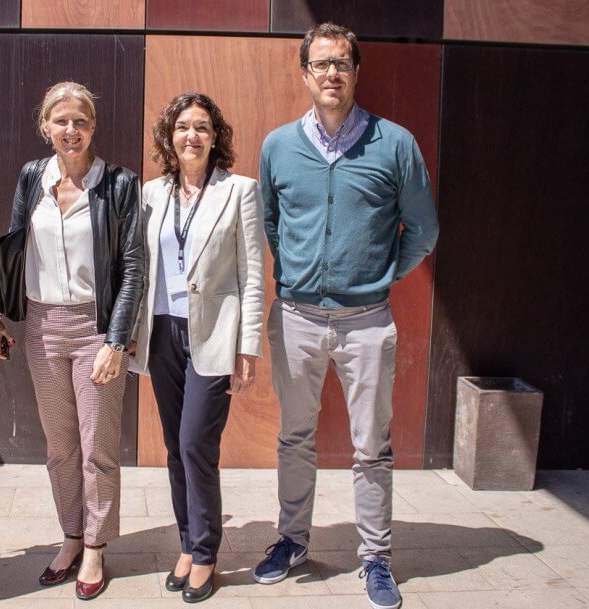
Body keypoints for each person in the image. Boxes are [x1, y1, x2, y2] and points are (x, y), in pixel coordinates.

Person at [255, 22, 439, 609]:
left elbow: (424, 230)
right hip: (298, 318)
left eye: (341, 64)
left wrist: (379, 276)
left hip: (367, 322)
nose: (330, 74)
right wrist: (301, 275)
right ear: (304, 73)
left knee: (371, 446)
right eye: (320, 64)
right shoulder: (279, 146)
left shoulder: (395, 144)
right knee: (294, 437)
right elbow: (271, 225)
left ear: (356, 71)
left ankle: (376, 558)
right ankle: (291, 540)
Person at [0, 81, 143, 600]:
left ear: (93, 126)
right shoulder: (32, 177)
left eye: (81, 121)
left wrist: (117, 340)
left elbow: (132, 269)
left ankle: (97, 546)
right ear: (45, 127)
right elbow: (12, 250)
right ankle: (71, 536)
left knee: (98, 447)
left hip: (95, 327)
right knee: (60, 448)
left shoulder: (118, 183)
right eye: (61, 121)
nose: (71, 130)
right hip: (41, 326)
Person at [130, 92, 265, 603]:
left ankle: (206, 552)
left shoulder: (240, 192)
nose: (192, 136)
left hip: (214, 335)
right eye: (183, 127)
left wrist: (247, 349)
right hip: (162, 332)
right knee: (172, 446)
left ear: (216, 137)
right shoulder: (151, 194)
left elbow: (254, 276)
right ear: (170, 137)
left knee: (195, 445)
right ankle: (187, 542)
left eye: (203, 127)